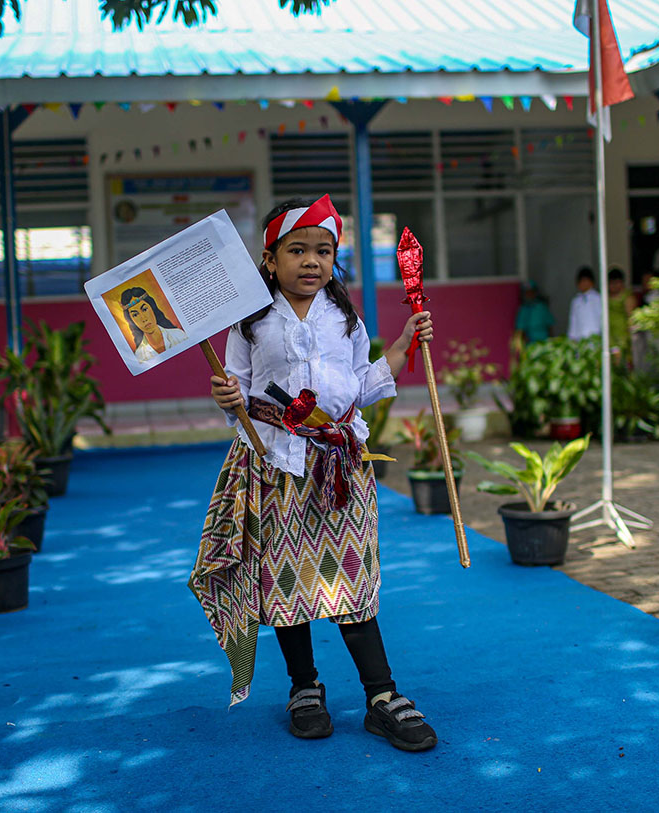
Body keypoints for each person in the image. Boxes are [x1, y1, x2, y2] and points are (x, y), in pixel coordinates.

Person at [190, 194, 438, 752]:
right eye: (296, 250)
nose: (311, 261)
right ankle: (304, 688)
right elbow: (235, 389)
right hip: (273, 466)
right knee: (285, 580)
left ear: (334, 258)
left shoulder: (347, 320)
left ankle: (382, 697)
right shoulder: (249, 322)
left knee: (352, 578)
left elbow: (363, 386)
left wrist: (401, 345)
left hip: (340, 467)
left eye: (323, 250)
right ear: (270, 258)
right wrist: (228, 396)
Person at [119, 287, 188, 363]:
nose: (144, 318)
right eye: (135, 315)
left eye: (145, 309)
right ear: (131, 321)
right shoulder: (139, 356)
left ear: (153, 308)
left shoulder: (178, 335)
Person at [606, 267, 635, 364]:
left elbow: (630, 316)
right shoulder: (605, 297)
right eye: (612, 283)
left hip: (623, 336)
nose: (615, 286)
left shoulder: (627, 296)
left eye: (617, 282)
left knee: (623, 362)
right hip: (610, 335)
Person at [567, 266, 602, 341]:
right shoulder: (576, 301)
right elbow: (573, 321)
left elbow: (601, 318)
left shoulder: (598, 298)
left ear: (592, 282)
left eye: (585, 281)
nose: (583, 284)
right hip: (580, 339)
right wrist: (571, 338)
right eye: (580, 281)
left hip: (595, 338)